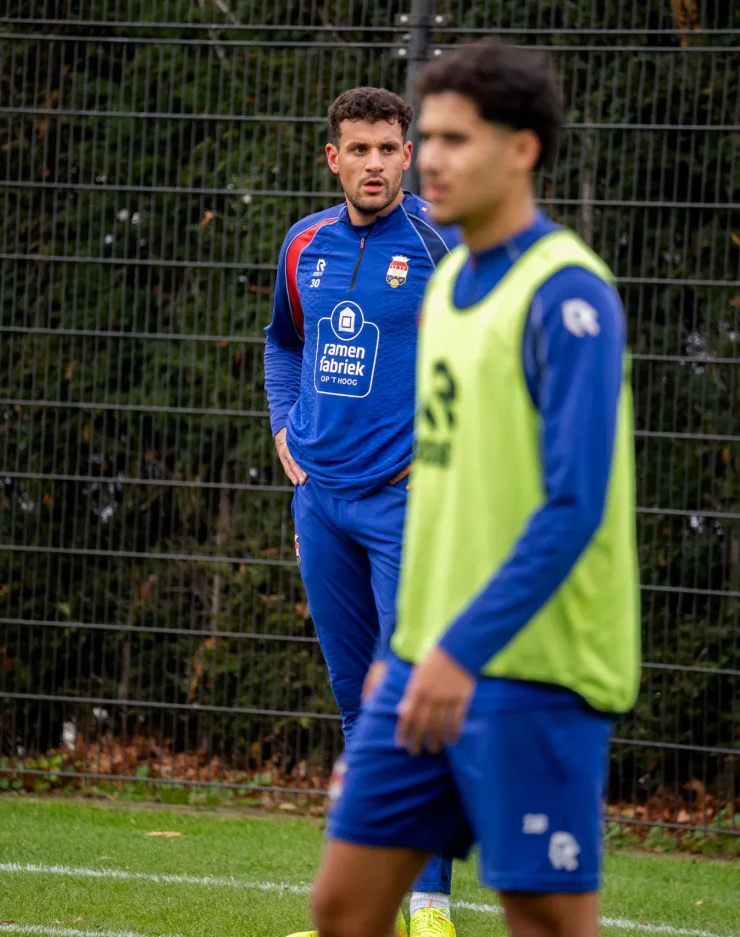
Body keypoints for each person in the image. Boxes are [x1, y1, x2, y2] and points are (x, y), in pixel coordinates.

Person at [311, 38, 641, 937]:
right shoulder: (451, 278)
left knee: (543, 919)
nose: (429, 159)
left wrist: (458, 651)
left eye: (456, 139)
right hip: (426, 657)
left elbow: (573, 508)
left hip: (538, 666)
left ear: (521, 149)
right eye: (430, 138)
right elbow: (447, 492)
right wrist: (410, 644)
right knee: (344, 904)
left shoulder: (568, 296)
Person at [264, 86, 461, 937]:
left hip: (406, 506)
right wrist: (284, 425)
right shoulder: (302, 243)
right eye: (359, 149)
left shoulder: (444, 244)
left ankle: (431, 906)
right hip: (321, 503)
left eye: (388, 148)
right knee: (355, 702)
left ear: (407, 156)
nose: (374, 164)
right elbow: (283, 340)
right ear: (333, 158)